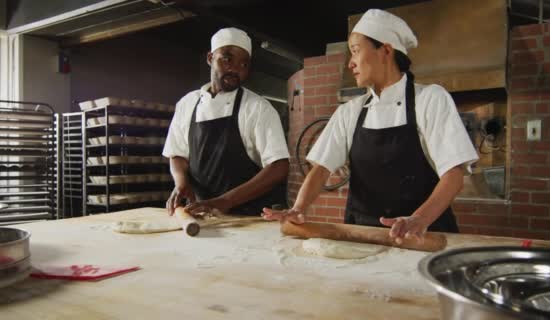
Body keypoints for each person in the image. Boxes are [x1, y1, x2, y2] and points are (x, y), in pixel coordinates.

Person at [262, 9, 478, 244]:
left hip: (422, 236)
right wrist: (298, 207)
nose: (350, 63)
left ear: (385, 50)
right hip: (362, 236)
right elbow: (321, 168)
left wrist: (418, 219)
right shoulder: (350, 111)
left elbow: (453, 175)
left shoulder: (430, 99)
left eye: (355, 51)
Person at [163, 27, 289, 216]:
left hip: (248, 218)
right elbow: (177, 153)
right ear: (209, 58)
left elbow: (279, 167)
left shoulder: (258, 108)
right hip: (201, 215)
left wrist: (224, 201)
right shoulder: (187, 104)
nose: (235, 68)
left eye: (244, 64)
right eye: (227, 59)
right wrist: (181, 183)